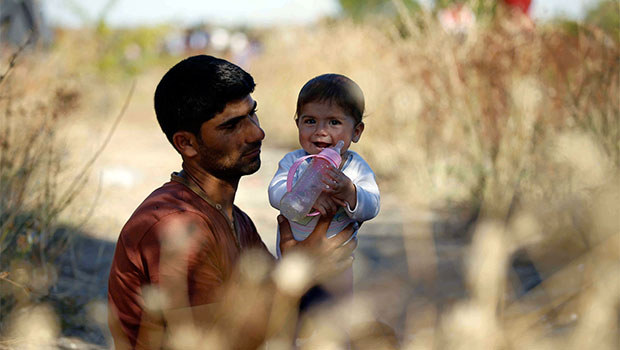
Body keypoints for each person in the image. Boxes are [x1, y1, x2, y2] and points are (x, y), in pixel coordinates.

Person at [107, 55, 357, 350]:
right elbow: (210, 342)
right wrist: (303, 274)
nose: (256, 133)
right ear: (186, 143)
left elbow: (271, 314)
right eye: (231, 126)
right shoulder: (175, 226)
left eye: (253, 115)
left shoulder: (234, 218)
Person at [268, 74, 380, 299]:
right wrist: (300, 196)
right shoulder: (294, 162)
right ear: (297, 123)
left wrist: (350, 192)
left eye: (334, 122)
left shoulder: (355, 168)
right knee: (290, 313)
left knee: (333, 317)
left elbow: (372, 205)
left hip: (336, 264)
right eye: (310, 121)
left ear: (356, 132)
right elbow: (275, 190)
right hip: (294, 262)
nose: (321, 131)